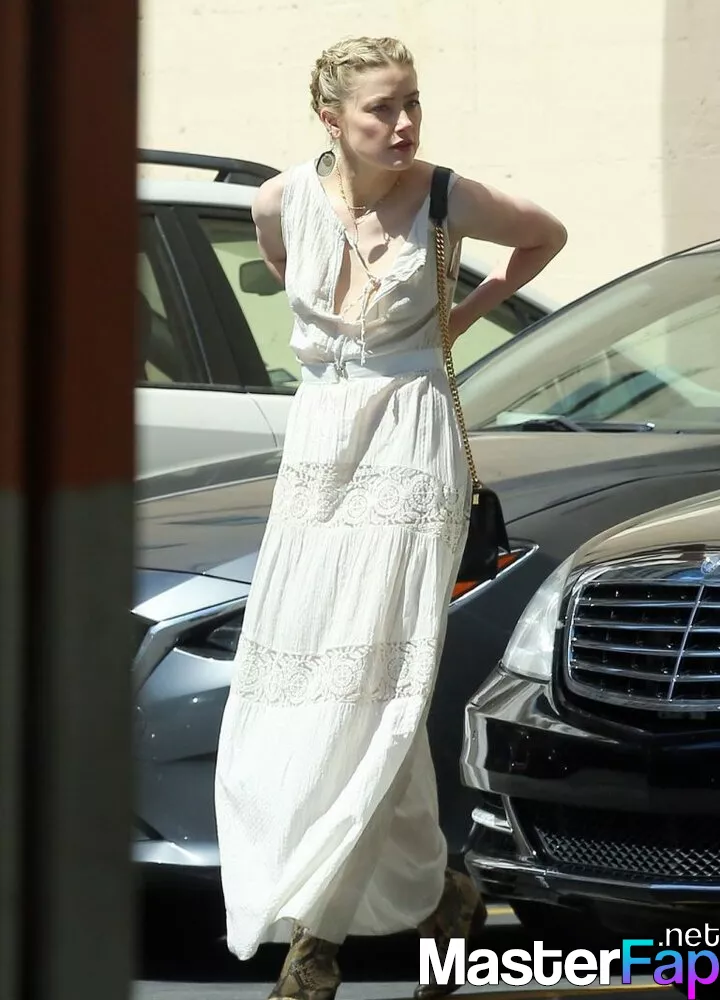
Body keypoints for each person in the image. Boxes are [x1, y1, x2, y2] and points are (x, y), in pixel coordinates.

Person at [214, 35, 567, 1000]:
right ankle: (441, 892)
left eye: (412, 101)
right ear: (330, 117)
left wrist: (469, 311)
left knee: (378, 684)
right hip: (320, 448)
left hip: (413, 444)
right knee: (306, 681)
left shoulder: (448, 195)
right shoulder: (279, 201)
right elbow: (294, 285)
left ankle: (316, 942)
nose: (404, 122)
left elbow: (545, 235)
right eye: (381, 107)